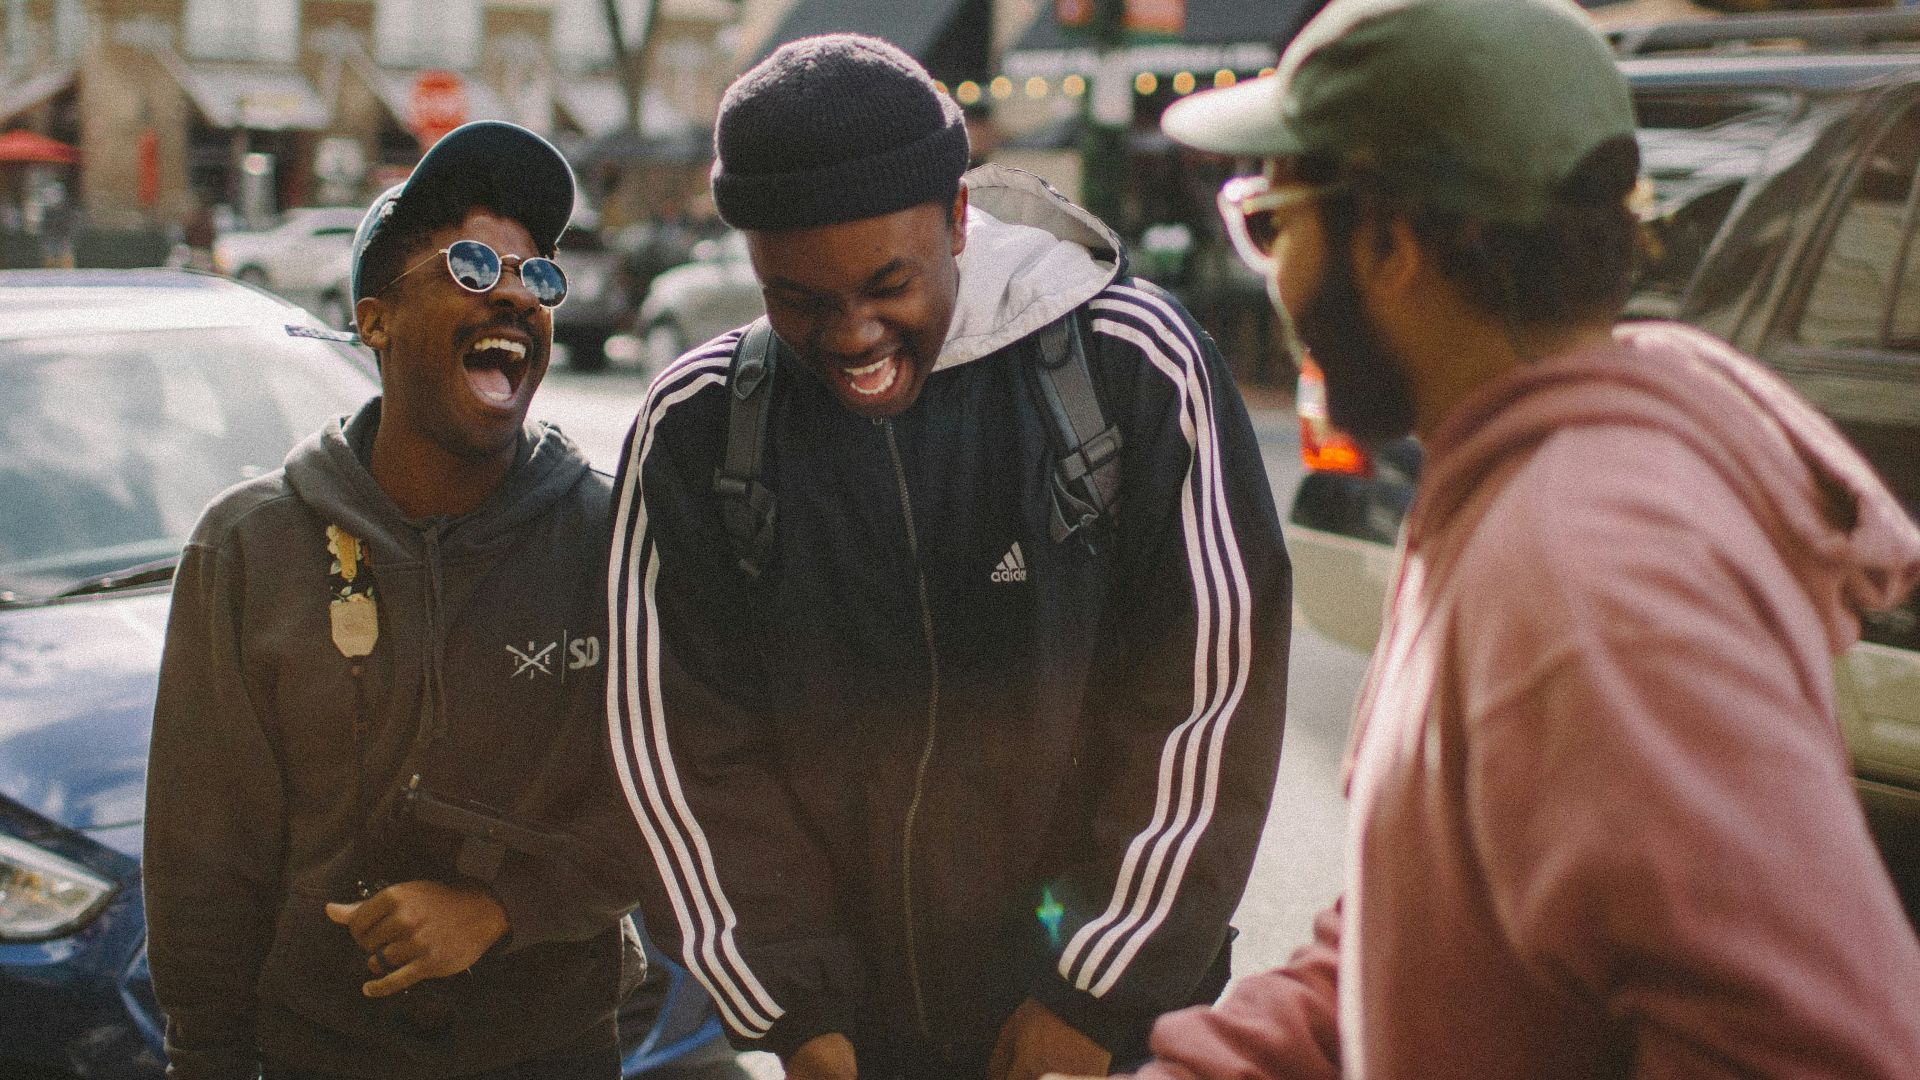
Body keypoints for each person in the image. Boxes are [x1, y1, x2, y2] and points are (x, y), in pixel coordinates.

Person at [1057, 1, 1920, 1077]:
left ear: (1395, 241)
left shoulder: (1585, 579)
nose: (1271, 277)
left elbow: (1812, 1047)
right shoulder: (1521, 500)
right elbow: (1417, 933)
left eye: (1273, 221)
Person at [608, 33, 1292, 1080]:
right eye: (801, 299)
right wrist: (797, 1011)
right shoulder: (697, 428)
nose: (853, 335)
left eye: (889, 284)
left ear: (960, 219)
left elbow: (1209, 697)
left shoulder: (1132, 366)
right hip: (851, 1038)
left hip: (1106, 1031)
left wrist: (1092, 988)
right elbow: (683, 749)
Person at [144, 121, 642, 1080]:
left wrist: (504, 908)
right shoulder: (250, 548)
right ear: (373, 319)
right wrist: (203, 1056)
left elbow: (681, 795)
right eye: (467, 265)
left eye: (538, 276)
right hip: (319, 1053)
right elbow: (205, 862)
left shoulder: (612, 535)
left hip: (553, 1048)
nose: (511, 290)